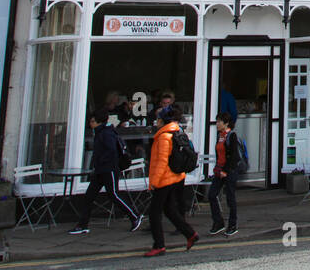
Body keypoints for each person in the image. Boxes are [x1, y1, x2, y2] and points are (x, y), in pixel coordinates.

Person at [70, 114, 142, 235]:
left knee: (113, 194)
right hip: (100, 170)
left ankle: (135, 216)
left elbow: (111, 151)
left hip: (109, 169)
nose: (90, 124)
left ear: (99, 122)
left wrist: (101, 162)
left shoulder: (106, 133)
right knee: (89, 196)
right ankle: (82, 225)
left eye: (92, 121)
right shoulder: (100, 132)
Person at [145, 106, 198, 257]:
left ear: (162, 121)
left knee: (154, 213)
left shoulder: (163, 137)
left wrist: (153, 182)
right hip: (174, 177)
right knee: (169, 210)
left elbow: (161, 162)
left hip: (164, 180)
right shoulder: (176, 132)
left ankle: (159, 245)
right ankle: (190, 234)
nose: (156, 122)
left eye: (158, 119)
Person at [208, 112, 240, 236]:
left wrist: (225, 171)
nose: (216, 124)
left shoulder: (232, 136)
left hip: (229, 171)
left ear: (226, 123)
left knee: (230, 198)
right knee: (212, 195)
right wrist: (218, 169)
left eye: (219, 122)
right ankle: (218, 222)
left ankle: (233, 224)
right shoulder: (219, 135)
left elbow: (234, 156)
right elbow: (219, 154)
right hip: (220, 170)